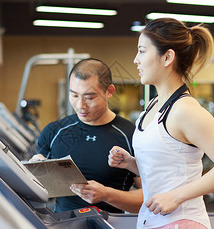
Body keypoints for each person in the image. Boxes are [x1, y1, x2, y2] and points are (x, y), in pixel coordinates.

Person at [108, 18, 214, 229]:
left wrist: (177, 196)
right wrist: (132, 163)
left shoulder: (185, 110)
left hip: (182, 227)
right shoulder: (153, 106)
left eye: (142, 51)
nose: (135, 59)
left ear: (167, 57)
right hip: (156, 225)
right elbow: (166, 167)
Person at [30, 58, 143, 213]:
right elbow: (34, 192)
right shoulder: (54, 131)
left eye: (89, 97)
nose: (80, 105)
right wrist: (34, 173)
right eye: (74, 95)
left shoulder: (131, 135)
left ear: (109, 91)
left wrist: (107, 195)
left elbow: (149, 198)